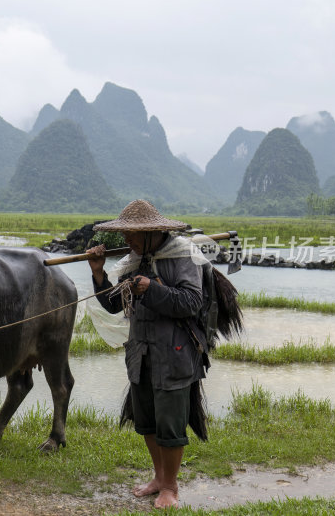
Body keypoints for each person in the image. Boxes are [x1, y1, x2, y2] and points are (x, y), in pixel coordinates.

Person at [87, 199, 209, 510]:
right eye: (125, 234)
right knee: (148, 421)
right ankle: (158, 477)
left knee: (170, 424)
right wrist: (99, 273)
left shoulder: (182, 256)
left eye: (132, 234)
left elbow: (192, 302)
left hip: (174, 352)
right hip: (140, 353)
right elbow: (115, 304)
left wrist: (151, 288)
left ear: (151, 232)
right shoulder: (131, 261)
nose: (126, 240)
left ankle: (170, 486)